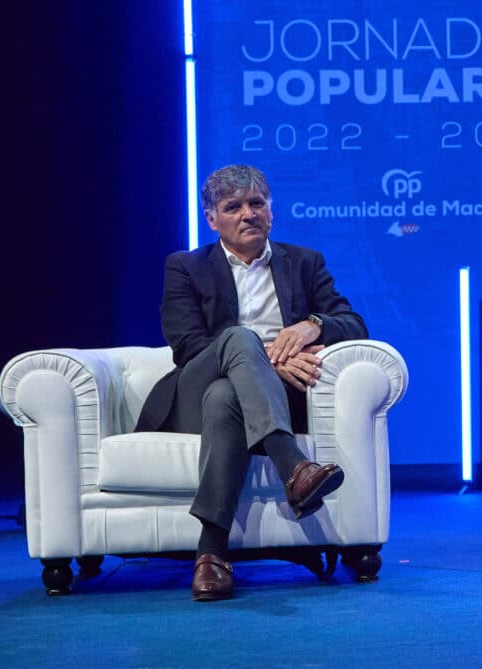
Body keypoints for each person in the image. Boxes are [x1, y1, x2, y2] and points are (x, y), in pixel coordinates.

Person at [135, 165, 369, 601]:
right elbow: (189, 349)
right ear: (213, 219)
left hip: (255, 404)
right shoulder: (185, 267)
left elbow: (354, 323)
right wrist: (264, 362)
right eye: (234, 207)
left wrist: (312, 326)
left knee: (228, 399)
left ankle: (211, 554)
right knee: (237, 344)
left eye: (256, 203)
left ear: (271, 212)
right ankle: (294, 468)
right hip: (194, 391)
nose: (248, 214)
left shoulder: (304, 263)